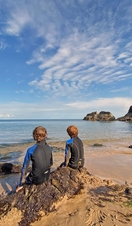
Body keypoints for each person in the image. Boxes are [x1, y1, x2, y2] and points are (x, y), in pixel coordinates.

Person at [16, 126, 53, 192]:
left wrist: (20, 184)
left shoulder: (31, 150)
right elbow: (51, 163)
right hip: (47, 176)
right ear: (46, 135)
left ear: (35, 136)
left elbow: (24, 168)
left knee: (27, 178)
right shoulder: (49, 148)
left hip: (37, 180)